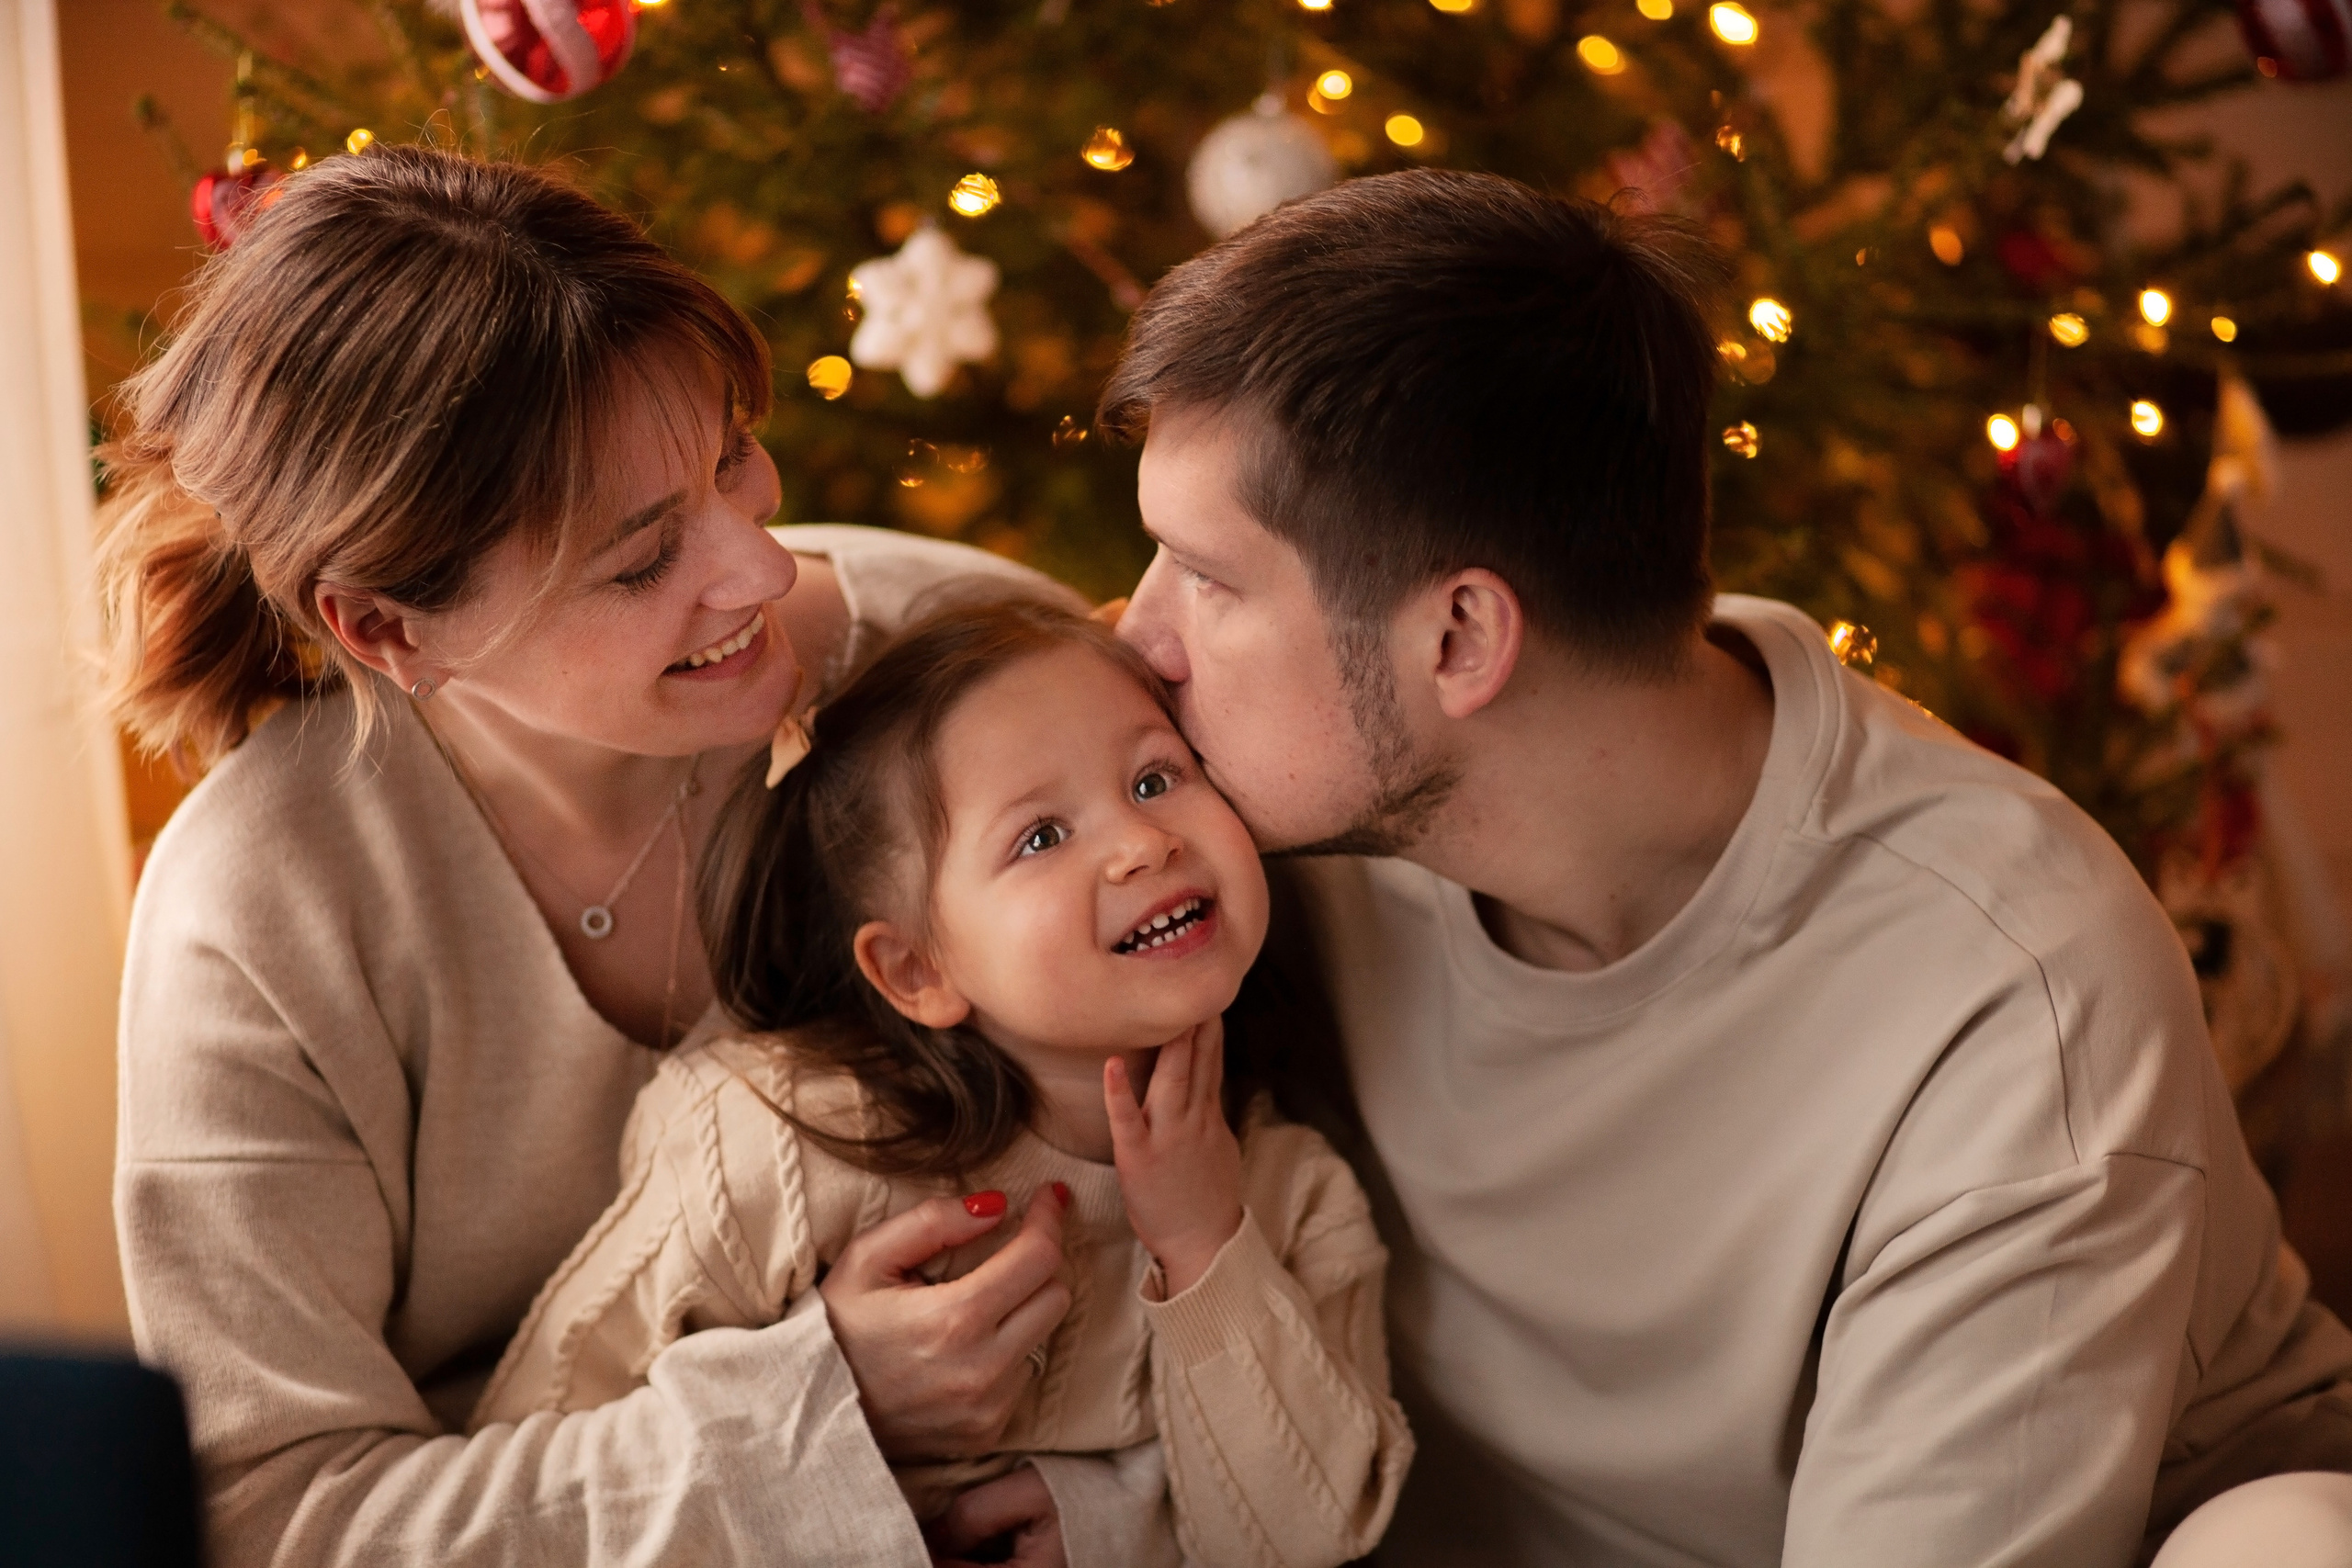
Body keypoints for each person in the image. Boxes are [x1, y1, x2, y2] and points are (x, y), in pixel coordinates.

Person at [1094, 167, 2352, 1566]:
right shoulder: (1264, 800)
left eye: (1206, 576)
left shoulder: (2014, 999)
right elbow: (941, 664)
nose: (1137, 635)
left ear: (1460, 638)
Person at [101, 145, 1146, 1566]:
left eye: (732, 455)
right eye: (643, 559)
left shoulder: (972, 667)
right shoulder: (259, 902)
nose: (762, 568)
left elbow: (1270, 1190)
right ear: (390, 629)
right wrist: (819, 1415)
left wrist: (1112, 1505)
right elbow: (277, 1514)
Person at [468, 597, 1412, 1566]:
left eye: (1155, 778)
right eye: (1041, 837)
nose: (1145, 842)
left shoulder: (1293, 1197)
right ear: (919, 971)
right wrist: (821, 1406)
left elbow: (1312, 1537)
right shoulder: (771, 1150)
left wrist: (1203, 1252)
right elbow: (551, 1476)